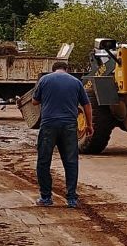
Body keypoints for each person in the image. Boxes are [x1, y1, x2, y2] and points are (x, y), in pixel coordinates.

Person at [31, 61, 93, 208]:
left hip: (48, 125)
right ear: (67, 69)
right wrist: (89, 125)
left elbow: (34, 101)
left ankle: (46, 198)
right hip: (69, 126)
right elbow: (87, 105)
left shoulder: (45, 80)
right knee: (71, 162)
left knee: (44, 161)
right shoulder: (76, 82)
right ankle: (71, 199)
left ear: (53, 70)